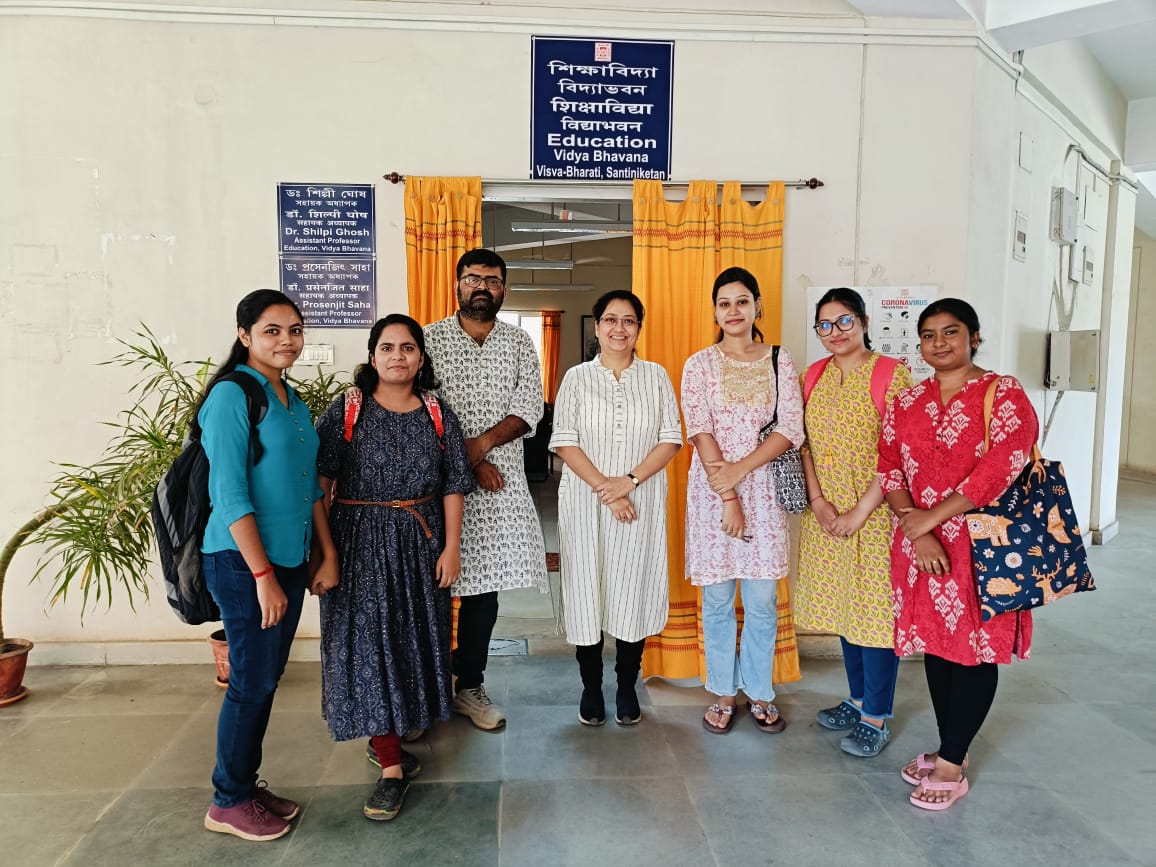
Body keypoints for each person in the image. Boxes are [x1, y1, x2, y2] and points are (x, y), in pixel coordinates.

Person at [878, 297, 1039, 811]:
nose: (939, 343)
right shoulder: (906, 401)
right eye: (928, 335)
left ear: (974, 337)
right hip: (921, 547)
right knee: (938, 645)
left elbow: (1002, 465)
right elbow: (889, 466)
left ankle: (951, 763)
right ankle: (953, 744)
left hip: (983, 548)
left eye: (951, 331)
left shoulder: (1003, 393)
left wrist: (932, 518)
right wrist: (918, 528)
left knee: (975, 649)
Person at [314, 314, 474, 821]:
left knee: (411, 641)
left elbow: (454, 483)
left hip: (420, 544)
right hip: (357, 543)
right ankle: (390, 770)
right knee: (368, 645)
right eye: (387, 347)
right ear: (372, 355)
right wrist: (326, 553)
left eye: (407, 348)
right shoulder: (347, 409)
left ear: (421, 357)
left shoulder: (438, 412)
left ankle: (391, 733)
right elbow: (318, 486)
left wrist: (452, 548)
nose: (397, 356)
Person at [199, 290, 338, 841]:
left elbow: (309, 488)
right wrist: (261, 577)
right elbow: (229, 494)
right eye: (273, 330)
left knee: (264, 680)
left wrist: (324, 553)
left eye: (295, 330)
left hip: (287, 558)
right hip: (243, 563)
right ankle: (227, 801)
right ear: (245, 335)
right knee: (250, 683)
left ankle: (243, 784)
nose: (287, 340)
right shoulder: (232, 396)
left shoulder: (289, 397)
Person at [423, 249, 549, 730]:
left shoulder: (518, 342)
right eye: (473, 278)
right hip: (436, 487)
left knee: (484, 593)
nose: (482, 287)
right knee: (433, 588)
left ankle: (469, 685)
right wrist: (468, 463)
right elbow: (421, 408)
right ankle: (428, 690)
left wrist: (481, 446)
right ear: (457, 284)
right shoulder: (428, 340)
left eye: (492, 280)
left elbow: (529, 407)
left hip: (499, 491)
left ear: (503, 290)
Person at [549, 290, 682, 726]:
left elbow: (670, 439)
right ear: (597, 326)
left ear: (639, 328)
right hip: (585, 504)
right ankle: (591, 687)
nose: (619, 328)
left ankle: (626, 686)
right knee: (586, 591)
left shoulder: (656, 376)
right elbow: (564, 441)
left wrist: (628, 482)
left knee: (632, 592)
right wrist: (607, 489)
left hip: (639, 503)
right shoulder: (576, 378)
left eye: (628, 320)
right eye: (610, 319)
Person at [682, 266, 804, 735]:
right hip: (714, 493)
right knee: (716, 601)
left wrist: (742, 470)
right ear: (715, 311)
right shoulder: (699, 364)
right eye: (724, 303)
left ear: (757, 306)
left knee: (761, 602)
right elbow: (699, 429)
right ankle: (722, 691)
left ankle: (760, 691)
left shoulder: (779, 360)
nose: (733, 311)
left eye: (741, 301)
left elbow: (790, 427)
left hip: (765, 493)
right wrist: (729, 491)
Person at [795, 288, 912, 757]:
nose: (835, 332)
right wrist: (819, 502)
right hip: (826, 517)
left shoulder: (892, 374)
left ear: (863, 321)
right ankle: (858, 698)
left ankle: (876, 716)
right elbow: (803, 446)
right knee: (846, 608)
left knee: (875, 617)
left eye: (844, 321)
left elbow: (898, 451)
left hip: (876, 517)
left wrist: (860, 511)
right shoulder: (812, 377)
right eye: (825, 325)